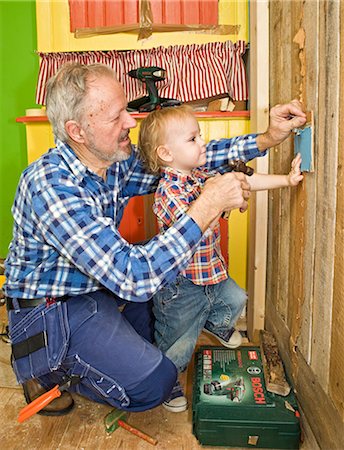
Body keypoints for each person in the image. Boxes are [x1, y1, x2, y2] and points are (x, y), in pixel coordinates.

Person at [3, 62, 306, 417]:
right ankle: (44, 366)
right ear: (77, 131)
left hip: (96, 288)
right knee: (157, 383)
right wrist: (207, 205)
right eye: (117, 117)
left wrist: (266, 139)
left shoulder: (111, 161)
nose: (131, 122)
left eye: (127, 110)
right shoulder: (51, 187)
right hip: (52, 307)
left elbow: (186, 157)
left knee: (162, 324)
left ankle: (95, 343)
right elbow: (134, 277)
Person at [138, 104, 303, 412]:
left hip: (211, 273)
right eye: (192, 139)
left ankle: (215, 323)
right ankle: (167, 379)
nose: (203, 143)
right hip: (180, 287)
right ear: (165, 153)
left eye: (200, 135)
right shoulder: (167, 194)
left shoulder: (201, 175)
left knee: (237, 298)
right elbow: (195, 228)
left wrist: (286, 180)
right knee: (178, 341)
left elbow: (245, 183)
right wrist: (219, 201)